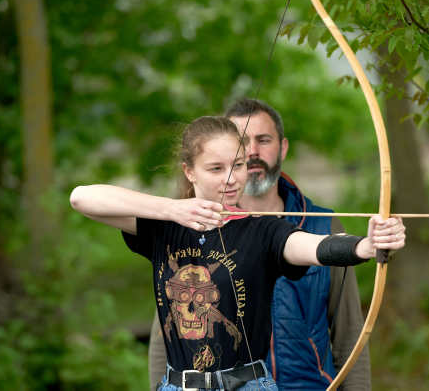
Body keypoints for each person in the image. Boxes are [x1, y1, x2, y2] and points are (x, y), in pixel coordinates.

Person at [70, 116, 406, 390]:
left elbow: (313, 247)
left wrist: (365, 245)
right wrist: (172, 210)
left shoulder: (263, 231)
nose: (231, 180)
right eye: (216, 169)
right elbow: (81, 198)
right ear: (190, 171)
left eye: (239, 165)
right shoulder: (162, 226)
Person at [150, 100, 373, 390]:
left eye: (263, 140)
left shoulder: (324, 225)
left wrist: (366, 245)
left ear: (282, 147)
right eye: (243, 142)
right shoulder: (196, 227)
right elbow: (166, 333)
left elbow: (349, 332)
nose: (253, 151)